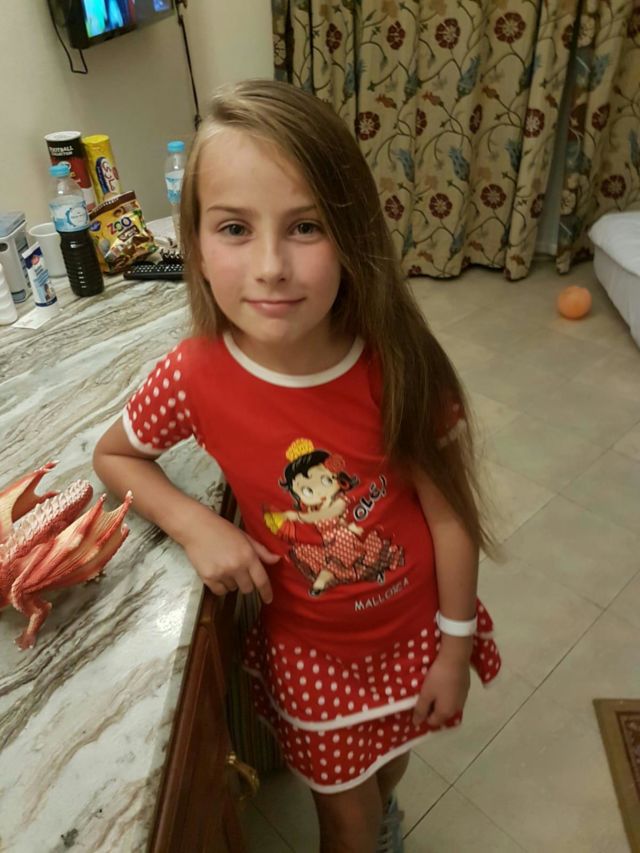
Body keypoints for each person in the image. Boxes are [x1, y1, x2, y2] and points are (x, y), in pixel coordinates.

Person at [93, 79, 501, 853]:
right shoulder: (192, 377)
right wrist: (196, 524)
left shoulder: (400, 364)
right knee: (344, 820)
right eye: (235, 227)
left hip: (416, 630)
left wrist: (453, 646)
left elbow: (451, 515)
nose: (271, 266)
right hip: (313, 653)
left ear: (352, 234)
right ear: (195, 244)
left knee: (389, 763)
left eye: (305, 226)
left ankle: (382, 816)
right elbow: (113, 455)